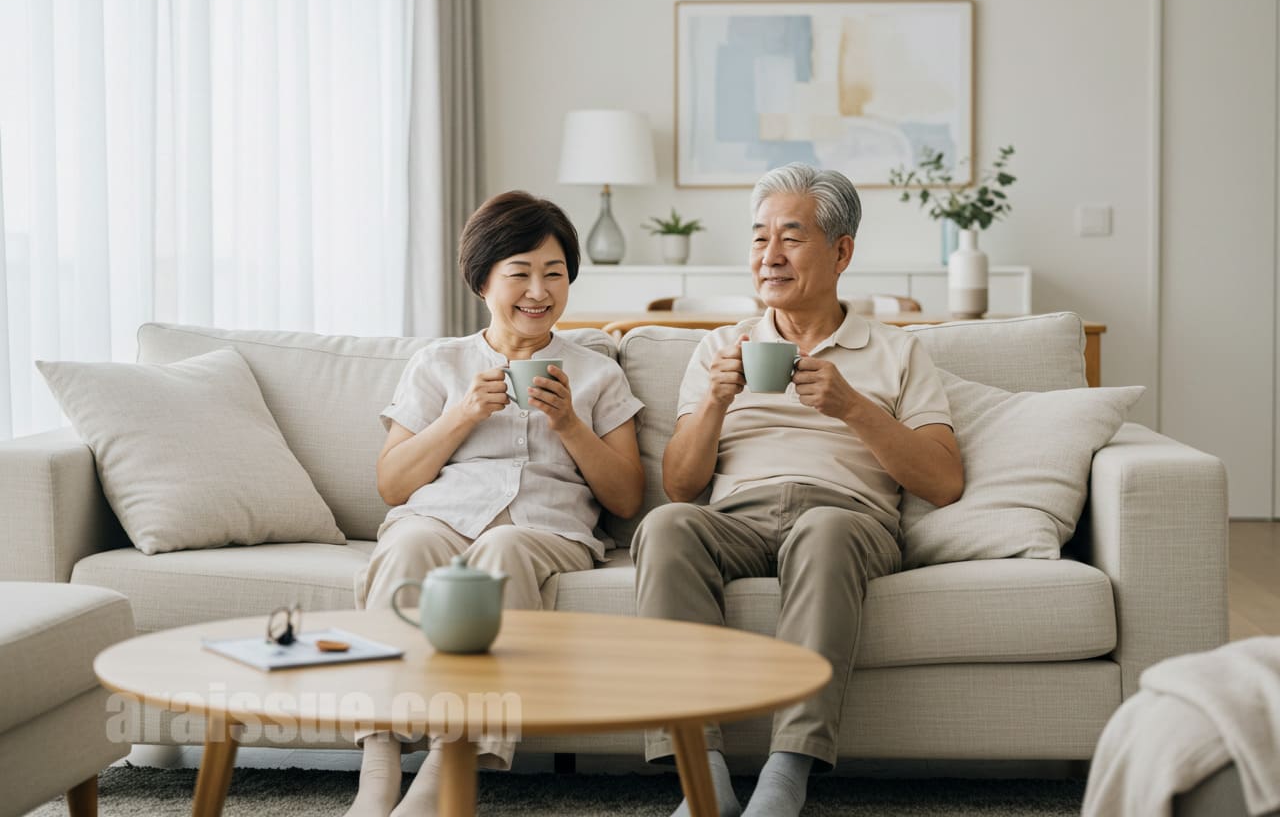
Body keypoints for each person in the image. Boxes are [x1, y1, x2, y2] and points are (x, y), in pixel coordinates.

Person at [633, 163, 964, 817]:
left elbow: (944, 480)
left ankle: (787, 777)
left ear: (841, 252)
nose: (769, 257)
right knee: (665, 527)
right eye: (758, 239)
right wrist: (716, 405)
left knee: (826, 528)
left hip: (845, 520)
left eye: (790, 237)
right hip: (736, 521)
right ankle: (704, 779)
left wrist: (854, 408)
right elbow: (678, 484)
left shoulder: (897, 353)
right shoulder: (719, 351)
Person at [347, 191, 645, 817]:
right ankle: (378, 764)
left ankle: (446, 765)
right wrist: (461, 416)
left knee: (502, 549)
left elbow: (624, 497)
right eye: (520, 272)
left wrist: (569, 425)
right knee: (407, 542)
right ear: (483, 280)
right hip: (443, 516)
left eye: (555, 274)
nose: (539, 291)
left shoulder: (597, 374)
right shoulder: (440, 364)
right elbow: (394, 486)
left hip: (545, 529)